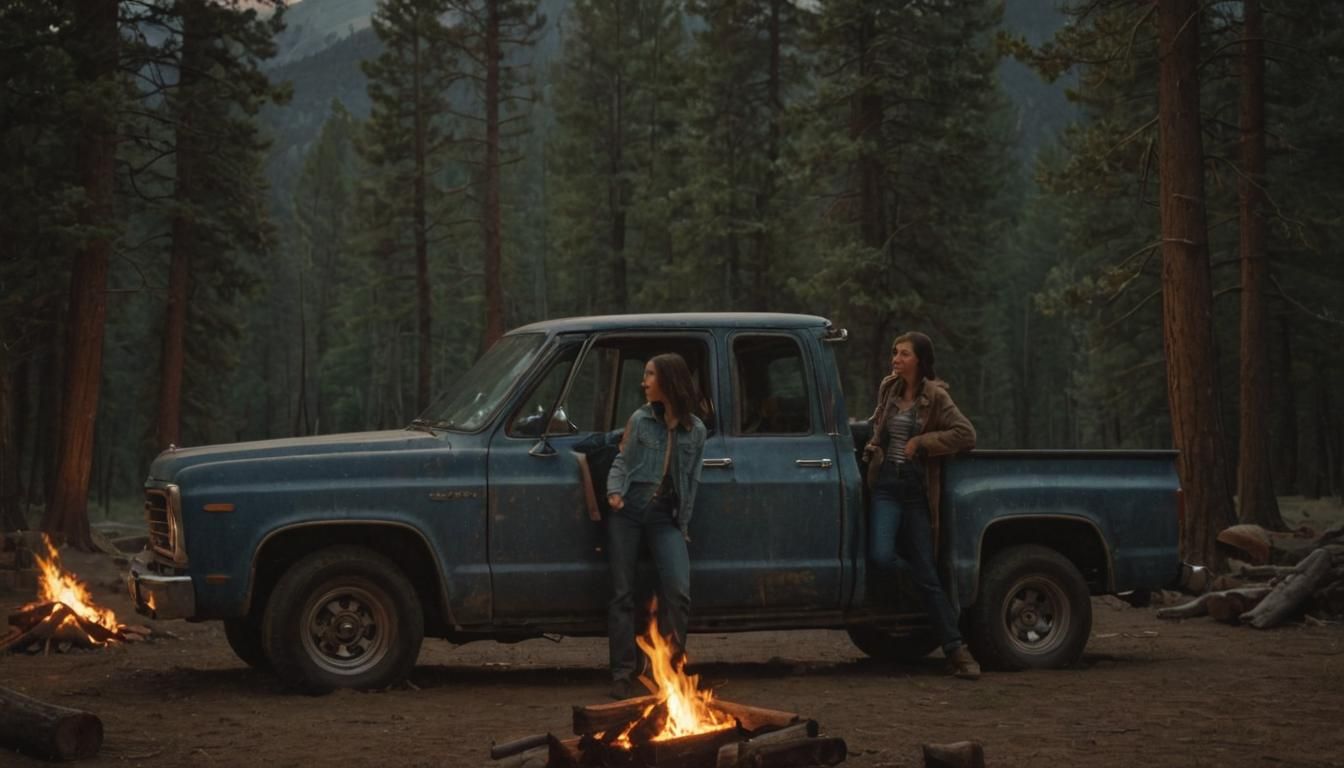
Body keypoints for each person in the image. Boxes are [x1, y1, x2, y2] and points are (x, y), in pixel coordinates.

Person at [861, 331, 980, 679]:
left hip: (915, 490)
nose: (895, 359)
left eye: (903, 354)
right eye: (894, 353)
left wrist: (921, 441)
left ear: (919, 360)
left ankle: (956, 649)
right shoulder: (889, 389)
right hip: (885, 485)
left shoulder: (936, 396)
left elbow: (965, 434)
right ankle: (926, 601)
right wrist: (871, 445)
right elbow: (877, 426)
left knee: (928, 573)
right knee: (881, 557)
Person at [605, 353, 708, 699]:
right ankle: (622, 673)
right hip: (629, 511)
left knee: (678, 592)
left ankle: (672, 671)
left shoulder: (695, 431)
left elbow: (691, 482)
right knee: (622, 593)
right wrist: (614, 492)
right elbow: (623, 459)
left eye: (650, 375)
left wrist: (684, 524)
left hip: (666, 516)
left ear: (668, 380)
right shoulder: (640, 419)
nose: (644, 381)